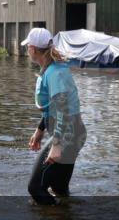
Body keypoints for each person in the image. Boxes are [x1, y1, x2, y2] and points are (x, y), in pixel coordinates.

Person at [23, 27, 87, 205]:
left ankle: (54, 219)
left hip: (68, 135)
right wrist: (40, 130)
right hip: (74, 133)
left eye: (27, 46)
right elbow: (52, 108)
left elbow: (63, 110)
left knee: (35, 188)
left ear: (33, 49)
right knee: (59, 189)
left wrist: (57, 145)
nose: (27, 49)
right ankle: (66, 218)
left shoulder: (54, 73)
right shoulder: (51, 68)